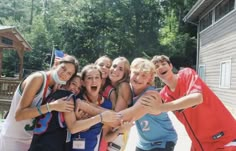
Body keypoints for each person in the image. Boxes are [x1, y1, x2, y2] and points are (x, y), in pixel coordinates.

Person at [140, 55, 236, 151]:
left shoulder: (186, 74)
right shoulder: (164, 95)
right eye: (156, 66)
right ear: (155, 73)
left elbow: (197, 98)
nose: (160, 67)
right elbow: (150, 109)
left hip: (224, 137)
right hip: (199, 142)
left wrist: (161, 107)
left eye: (164, 64)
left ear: (171, 66)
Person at [0, 55, 79, 151]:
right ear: (56, 64)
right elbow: (19, 115)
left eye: (69, 73)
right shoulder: (38, 79)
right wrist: (51, 106)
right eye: (63, 68)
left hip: (30, 140)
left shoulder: (56, 87)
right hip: (12, 139)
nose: (64, 74)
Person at [119, 58, 177, 151]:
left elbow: (127, 116)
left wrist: (97, 116)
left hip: (162, 141)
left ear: (150, 78)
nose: (138, 78)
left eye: (144, 75)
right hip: (144, 143)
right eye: (136, 73)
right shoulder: (130, 91)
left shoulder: (151, 95)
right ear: (130, 72)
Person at [68, 64, 122, 151]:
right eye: (89, 78)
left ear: (101, 81)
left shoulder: (107, 104)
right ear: (83, 83)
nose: (94, 81)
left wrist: (120, 131)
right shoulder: (76, 100)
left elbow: (107, 136)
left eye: (97, 77)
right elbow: (73, 128)